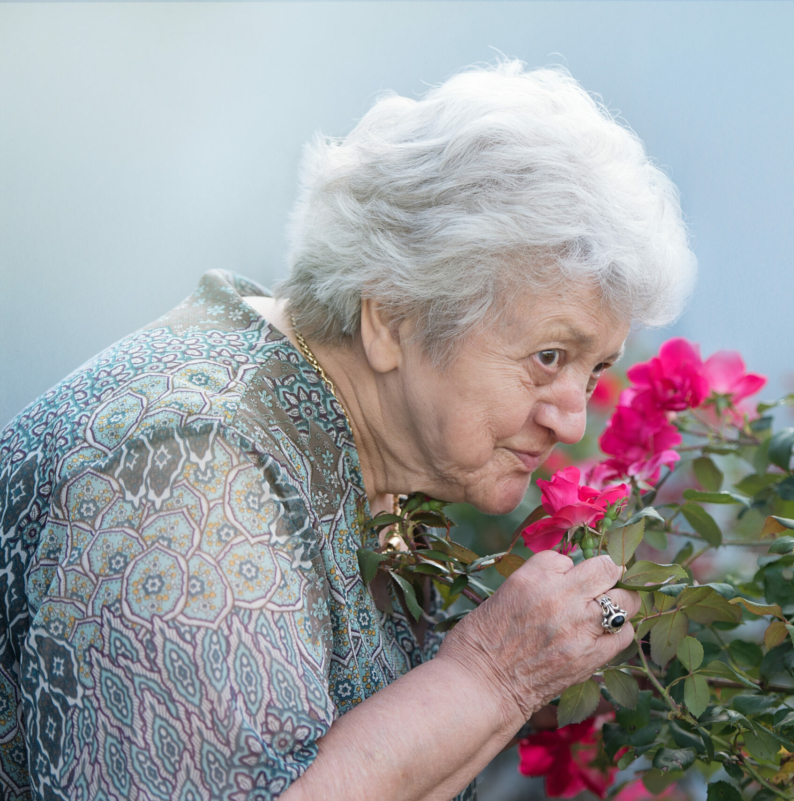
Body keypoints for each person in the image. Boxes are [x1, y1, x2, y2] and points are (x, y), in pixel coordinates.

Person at [0, 60, 695, 800]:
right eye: (548, 357)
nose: (574, 417)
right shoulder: (185, 480)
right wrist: (492, 676)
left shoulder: (351, 435)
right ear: (390, 316)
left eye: (595, 370)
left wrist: (515, 690)